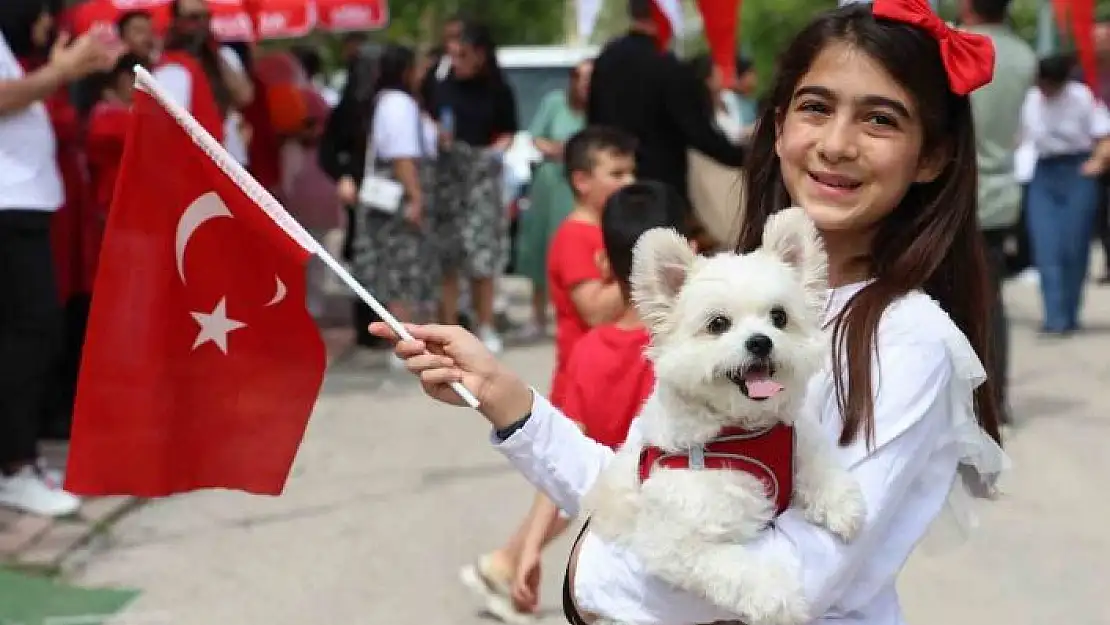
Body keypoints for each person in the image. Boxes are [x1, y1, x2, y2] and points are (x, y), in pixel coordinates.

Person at [373, 2, 1007, 623]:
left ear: (932, 155)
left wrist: (587, 572)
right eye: (817, 107)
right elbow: (648, 480)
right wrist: (507, 399)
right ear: (778, 125)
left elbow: (798, 580)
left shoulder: (907, 341)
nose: (836, 144)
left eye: (880, 120)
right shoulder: (732, 291)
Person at [459, 126, 635, 622]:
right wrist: (640, 271)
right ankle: (508, 562)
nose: (628, 181)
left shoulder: (600, 233)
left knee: (577, 484)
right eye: (616, 173)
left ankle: (506, 562)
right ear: (581, 180)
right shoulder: (576, 238)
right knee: (574, 484)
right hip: (588, 377)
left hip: (610, 375)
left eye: (631, 171)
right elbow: (595, 309)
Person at [511, 181, 689, 614]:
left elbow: (561, 452)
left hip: (614, 550)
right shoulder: (693, 349)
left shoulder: (588, 353)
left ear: (604, 264)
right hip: (688, 545)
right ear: (689, 254)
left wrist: (531, 545)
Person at [0, 0, 121, 516]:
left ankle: (18, 460)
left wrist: (69, 68)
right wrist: (62, 71)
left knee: (32, 333)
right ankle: (14, 465)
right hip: (8, 202)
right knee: (31, 334)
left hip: (24, 201)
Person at [587, 0, 745, 207]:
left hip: (612, 189)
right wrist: (743, 157)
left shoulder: (605, 60)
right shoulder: (668, 67)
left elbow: (592, 119)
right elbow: (697, 131)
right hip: (660, 190)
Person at [962, 0, 1035, 426]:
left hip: (951, 188)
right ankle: (995, 398)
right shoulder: (1025, 56)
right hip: (1000, 190)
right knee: (991, 300)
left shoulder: (957, 45)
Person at [346, 44, 438, 370]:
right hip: (399, 198)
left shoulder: (390, 102)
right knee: (402, 271)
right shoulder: (397, 103)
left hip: (393, 196)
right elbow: (402, 156)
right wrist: (415, 196)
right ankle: (405, 341)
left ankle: (406, 339)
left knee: (398, 270)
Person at [429, 22, 518, 354]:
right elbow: (427, 120)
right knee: (448, 257)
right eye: (452, 54)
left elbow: (508, 131)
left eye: (463, 54)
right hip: (448, 178)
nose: (457, 61)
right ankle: (448, 327)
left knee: (483, 257)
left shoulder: (497, 88)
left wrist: (496, 152)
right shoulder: (439, 85)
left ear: (480, 54)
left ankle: (486, 324)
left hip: (482, 176)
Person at [1022, 54, 1110, 336]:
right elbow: (1021, 137)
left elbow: (1104, 135)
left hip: (1076, 169)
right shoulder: (1032, 99)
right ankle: (1054, 317)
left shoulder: (1082, 97)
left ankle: (1070, 312)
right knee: (1046, 245)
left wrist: (1097, 162)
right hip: (1044, 171)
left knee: (1074, 245)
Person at [513, 60, 591, 339]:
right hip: (551, 182)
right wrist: (561, 149)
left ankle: (571, 314)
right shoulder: (555, 103)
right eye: (581, 78)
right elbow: (535, 138)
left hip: (580, 187)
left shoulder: (597, 109)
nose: (586, 84)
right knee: (543, 247)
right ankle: (537, 314)